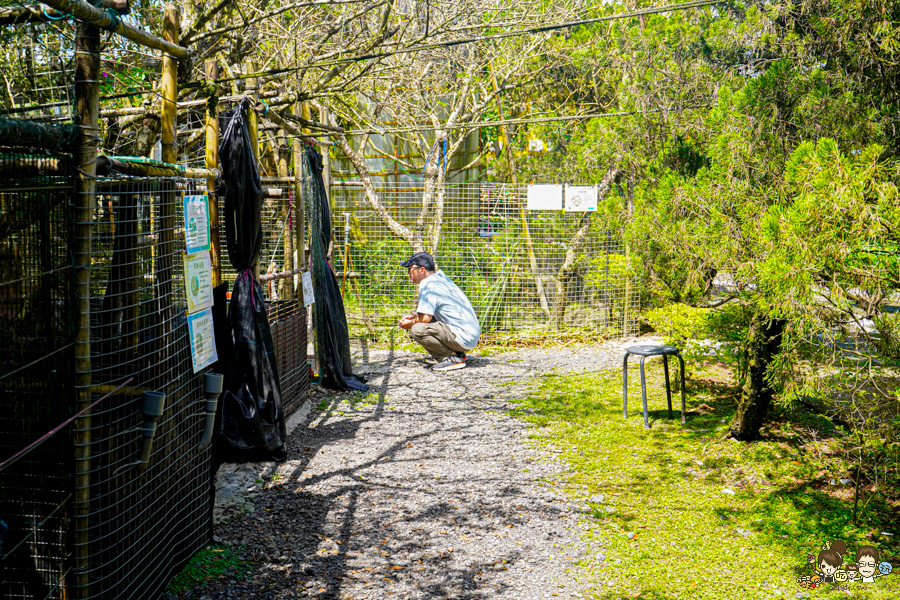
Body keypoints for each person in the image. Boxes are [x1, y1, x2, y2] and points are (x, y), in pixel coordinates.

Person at [398, 251, 481, 371]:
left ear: (422, 270)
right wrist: (415, 316)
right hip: (469, 336)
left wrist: (409, 324)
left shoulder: (428, 284)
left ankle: (450, 358)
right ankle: (457, 354)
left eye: (410, 269)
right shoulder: (440, 279)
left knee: (417, 329)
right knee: (420, 323)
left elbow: (425, 319)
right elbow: (433, 314)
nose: (408, 273)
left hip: (463, 337)